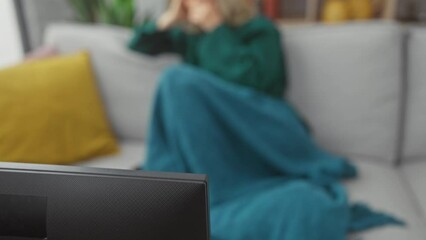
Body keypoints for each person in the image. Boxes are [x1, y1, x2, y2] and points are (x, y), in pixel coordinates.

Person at [128, 0, 403, 239]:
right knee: (176, 84)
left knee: (178, 80)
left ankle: (219, 193)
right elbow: (138, 44)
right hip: (219, 139)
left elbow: (256, 82)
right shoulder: (190, 38)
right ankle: (191, 192)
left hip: (263, 126)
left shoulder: (260, 29)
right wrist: (168, 20)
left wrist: (217, 30)